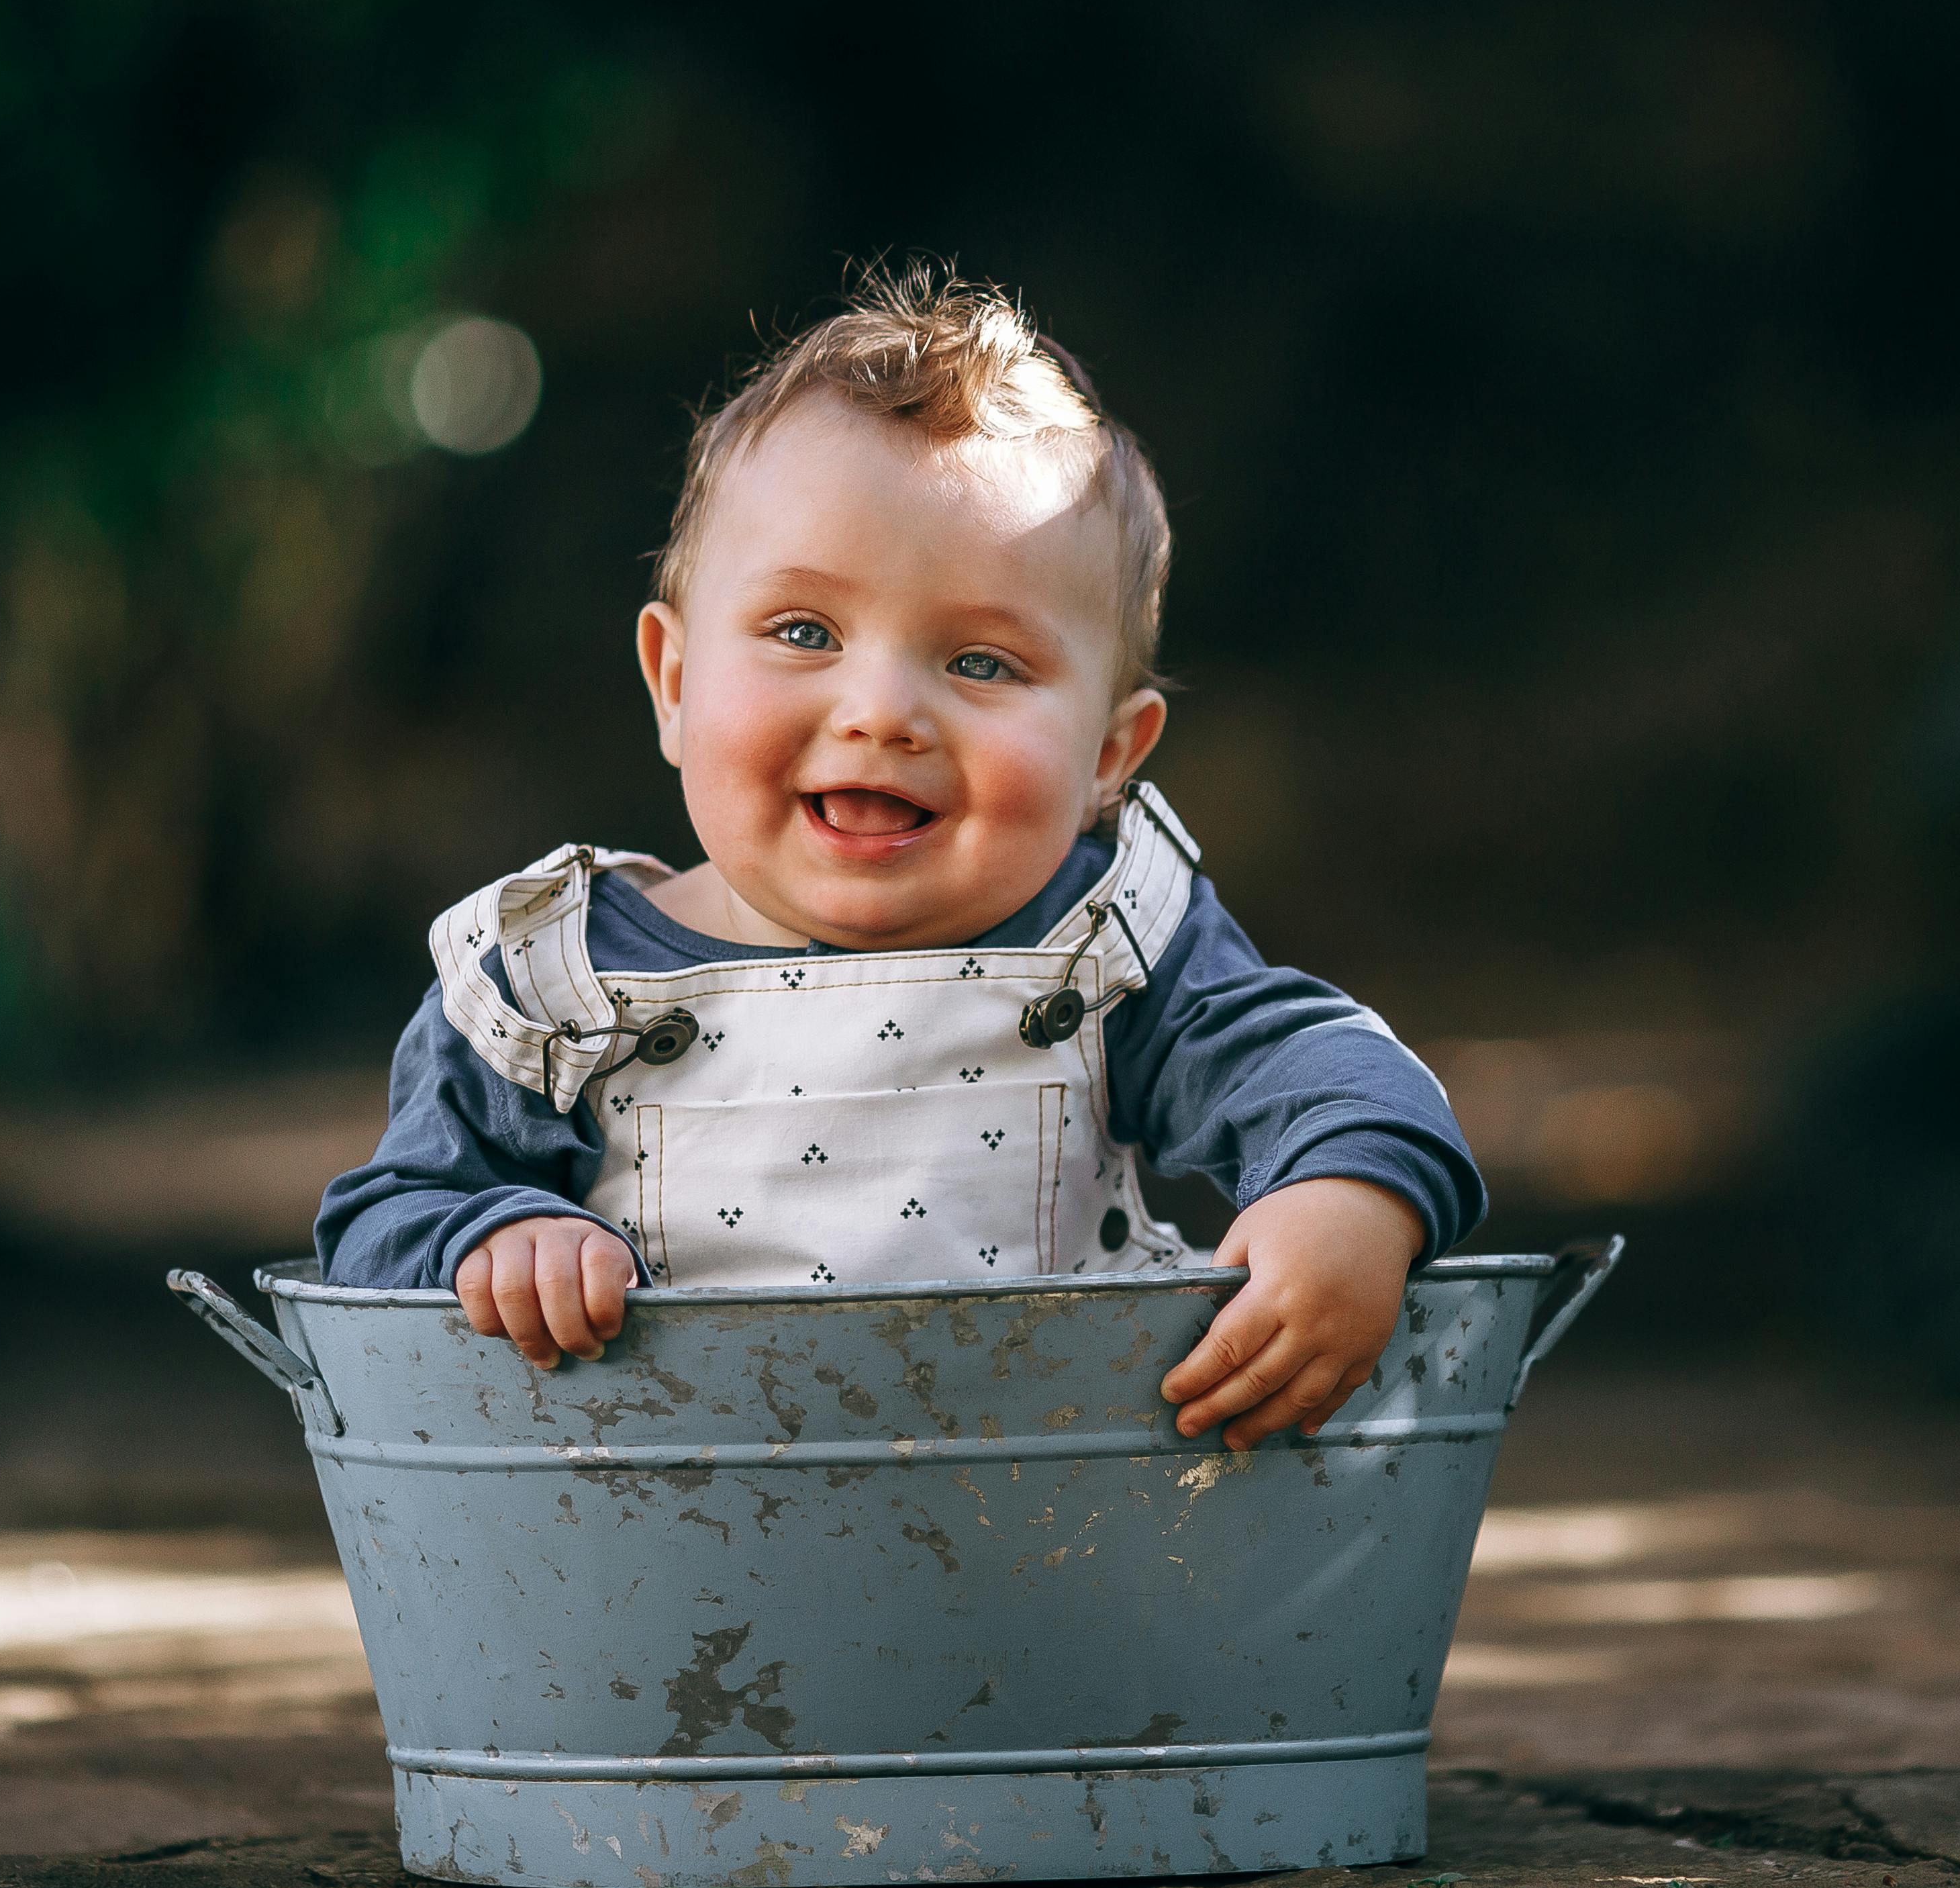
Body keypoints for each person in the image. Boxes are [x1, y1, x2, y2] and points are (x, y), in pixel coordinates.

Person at [314, 263, 1481, 1451]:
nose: (881, 711)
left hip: (1049, 1538)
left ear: (1107, 760)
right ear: (674, 684)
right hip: (654, 1561)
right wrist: (491, 1239)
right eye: (803, 632)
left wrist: (1350, 1193)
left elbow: (1318, 1055)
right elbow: (383, 1221)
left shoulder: (1104, 947)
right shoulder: (557, 984)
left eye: (982, 662)